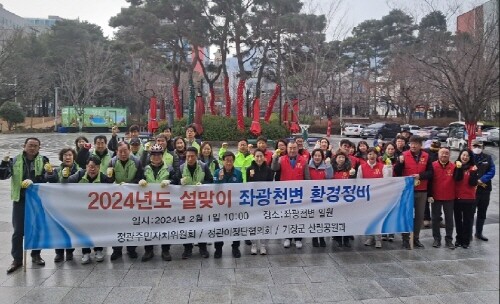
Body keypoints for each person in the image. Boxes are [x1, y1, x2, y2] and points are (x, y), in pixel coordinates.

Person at [1, 137, 50, 274]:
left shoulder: (44, 160)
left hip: (37, 200)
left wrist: (34, 181)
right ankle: (17, 259)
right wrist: (4, 163)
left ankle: (36, 254)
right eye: (30, 145)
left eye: (35, 146)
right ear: (24, 146)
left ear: (39, 148)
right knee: (18, 232)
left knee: (37, 228)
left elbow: (47, 178)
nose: (32, 148)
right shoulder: (14, 160)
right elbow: (3, 176)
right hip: (20, 200)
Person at [63, 156, 114, 264]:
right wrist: (64, 177)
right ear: (86, 166)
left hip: (99, 212)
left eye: (95, 167)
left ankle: (98, 250)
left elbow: (113, 190)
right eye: (90, 166)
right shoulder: (79, 175)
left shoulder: (104, 178)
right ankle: (85, 252)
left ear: (99, 167)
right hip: (82, 211)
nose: (92, 169)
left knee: (98, 230)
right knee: (84, 231)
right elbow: (65, 184)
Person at [138, 144, 177, 261]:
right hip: (148, 204)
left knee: (165, 227)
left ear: (162, 155)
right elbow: (137, 180)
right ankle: (148, 251)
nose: (156, 157)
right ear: (150, 157)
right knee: (148, 227)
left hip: (164, 204)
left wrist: (170, 181)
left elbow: (176, 180)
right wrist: (140, 181)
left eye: (158, 155)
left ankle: (165, 251)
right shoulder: (145, 169)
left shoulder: (169, 168)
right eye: (154, 155)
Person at [394, 135, 433, 249]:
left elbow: (431, 173)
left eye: (416, 143)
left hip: (422, 190)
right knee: (406, 215)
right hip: (407, 191)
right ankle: (405, 239)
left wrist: (420, 176)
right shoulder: (404, 155)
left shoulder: (426, 156)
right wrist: (400, 163)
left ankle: (415, 238)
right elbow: (396, 172)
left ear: (421, 145)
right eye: (411, 143)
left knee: (420, 216)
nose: (413, 145)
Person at [108, 141, 144, 260]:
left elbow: (140, 178)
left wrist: (129, 185)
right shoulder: (112, 162)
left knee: (131, 223)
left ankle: (131, 249)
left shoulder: (137, 161)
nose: (123, 154)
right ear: (117, 152)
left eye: (125, 151)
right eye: (120, 151)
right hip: (117, 199)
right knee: (116, 224)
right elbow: (108, 180)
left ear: (129, 150)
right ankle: (116, 250)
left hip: (132, 197)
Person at [271, 140, 310, 249]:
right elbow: (274, 168)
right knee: (287, 216)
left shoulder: (303, 160)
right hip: (285, 193)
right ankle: (287, 237)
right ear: (287, 149)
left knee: (299, 217)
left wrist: (308, 192)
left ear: (298, 149)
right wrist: (274, 158)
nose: (292, 150)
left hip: (299, 193)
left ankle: (298, 238)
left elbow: (307, 177)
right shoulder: (281, 159)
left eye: (294, 148)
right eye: (290, 148)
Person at [45, 148, 80, 262]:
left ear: (73, 157)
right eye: (65, 155)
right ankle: (59, 253)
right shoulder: (56, 170)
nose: (68, 157)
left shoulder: (79, 170)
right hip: (59, 203)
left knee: (71, 227)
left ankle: (70, 251)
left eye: (70, 155)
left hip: (73, 203)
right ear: (62, 157)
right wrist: (49, 173)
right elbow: (51, 180)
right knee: (58, 228)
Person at [179, 147, 213, 259]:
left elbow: (210, 180)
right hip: (187, 202)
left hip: (200, 202)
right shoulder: (181, 167)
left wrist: (203, 185)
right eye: (187, 156)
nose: (189, 158)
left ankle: (203, 248)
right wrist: (179, 182)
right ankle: (187, 248)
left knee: (201, 224)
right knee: (187, 225)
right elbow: (174, 181)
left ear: (197, 156)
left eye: (192, 156)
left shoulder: (203, 166)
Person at [214, 151, 243, 258]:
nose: (229, 163)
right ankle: (218, 249)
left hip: (234, 205)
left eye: (231, 161)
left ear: (233, 161)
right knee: (219, 227)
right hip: (220, 206)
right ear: (222, 161)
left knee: (236, 227)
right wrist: (220, 180)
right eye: (227, 161)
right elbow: (214, 190)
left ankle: (235, 247)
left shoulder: (238, 173)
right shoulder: (217, 172)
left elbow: (241, 189)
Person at [246, 149, 274, 255]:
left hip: (265, 200)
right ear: (254, 157)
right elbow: (247, 185)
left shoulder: (269, 170)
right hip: (253, 201)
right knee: (253, 223)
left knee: (264, 223)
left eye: (260, 156)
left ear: (264, 157)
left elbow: (270, 185)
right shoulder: (249, 169)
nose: (259, 158)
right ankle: (254, 244)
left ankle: (263, 245)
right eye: (257, 156)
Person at [428, 148, 456, 249]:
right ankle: (436, 239)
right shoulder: (432, 165)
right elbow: (429, 182)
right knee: (435, 219)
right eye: (442, 153)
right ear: (438, 154)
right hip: (436, 196)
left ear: (450, 155)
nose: (444, 155)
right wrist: (429, 195)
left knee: (449, 219)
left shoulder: (454, 166)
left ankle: (449, 240)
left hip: (449, 196)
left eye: (447, 154)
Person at [358, 148, 385, 248]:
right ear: (366, 156)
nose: (372, 156)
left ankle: (378, 239)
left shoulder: (383, 167)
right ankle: (370, 237)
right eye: (369, 154)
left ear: (377, 156)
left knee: (378, 218)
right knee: (369, 217)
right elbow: (359, 182)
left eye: (374, 154)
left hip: (379, 197)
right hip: (367, 197)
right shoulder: (362, 167)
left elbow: (387, 182)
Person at [471, 139, 496, 241]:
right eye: (475, 146)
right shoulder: (468, 157)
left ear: (482, 147)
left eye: (479, 146)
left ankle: (479, 233)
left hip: (485, 189)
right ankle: (468, 233)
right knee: (470, 212)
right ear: (471, 146)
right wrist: (474, 180)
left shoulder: (488, 157)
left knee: (482, 212)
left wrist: (482, 179)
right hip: (471, 189)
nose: (477, 148)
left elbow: (492, 171)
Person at [453, 149, 479, 249]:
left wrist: (473, 172)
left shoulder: (473, 168)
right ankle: (458, 239)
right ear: (460, 156)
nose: (465, 157)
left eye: (467, 156)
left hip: (469, 198)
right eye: (463, 155)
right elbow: (457, 179)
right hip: (457, 197)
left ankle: (466, 240)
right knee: (458, 220)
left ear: (470, 158)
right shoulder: (456, 166)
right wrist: (459, 168)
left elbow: (473, 183)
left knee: (467, 220)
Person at [308, 149, 333, 247]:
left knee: (322, 217)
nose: (317, 157)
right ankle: (314, 237)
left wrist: (329, 165)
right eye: (315, 155)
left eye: (319, 156)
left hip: (323, 196)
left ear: (322, 157)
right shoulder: (308, 167)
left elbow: (330, 177)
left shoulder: (326, 166)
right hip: (311, 196)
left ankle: (322, 237)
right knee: (313, 218)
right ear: (312, 156)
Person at [331, 150, 356, 247]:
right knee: (336, 218)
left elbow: (353, 183)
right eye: (339, 157)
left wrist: (353, 175)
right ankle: (337, 237)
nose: (341, 159)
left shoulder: (349, 169)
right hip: (334, 198)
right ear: (335, 159)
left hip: (346, 198)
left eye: (343, 157)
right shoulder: (331, 168)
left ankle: (346, 239)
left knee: (346, 218)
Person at [423, 140, 442, 228]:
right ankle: (426, 218)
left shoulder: (441, 152)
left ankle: (438, 218)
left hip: (437, 179)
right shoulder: (425, 151)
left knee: (437, 199)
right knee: (426, 199)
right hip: (427, 178)